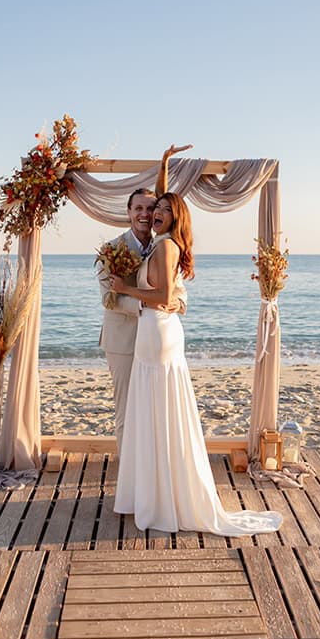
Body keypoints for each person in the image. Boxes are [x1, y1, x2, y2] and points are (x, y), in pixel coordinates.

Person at [109, 191, 283, 535]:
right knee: (155, 411)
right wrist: (164, 164)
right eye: (152, 208)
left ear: (176, 217)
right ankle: (156, 491)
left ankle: (160, 496)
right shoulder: (166, 243)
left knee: (158, 410)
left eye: (162, 210)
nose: (155, 213)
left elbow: (162, 298)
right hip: (155, 333)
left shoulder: (165, 246)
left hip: (157, 332)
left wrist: (127, 289)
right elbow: (166, 293)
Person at [97, 145, 192, 456]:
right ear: (128, 212)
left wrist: (175, 303)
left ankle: (151, 473)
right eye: (138, 208)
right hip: (124, 341)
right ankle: (128, 474)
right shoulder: (110, 250)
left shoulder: (163, 245)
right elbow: (109, 299)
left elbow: (176, 291)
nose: (145, 214)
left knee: (155, 411)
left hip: (156, 340)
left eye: (150, 209)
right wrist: (148, 304)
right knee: (126, 411)